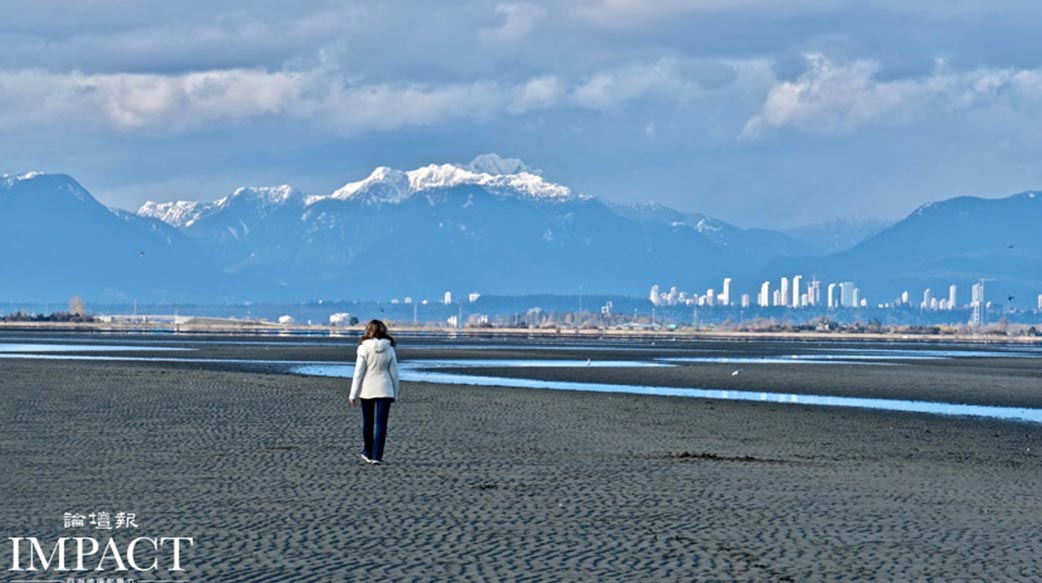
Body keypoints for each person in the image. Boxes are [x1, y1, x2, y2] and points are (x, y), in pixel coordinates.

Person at [349, 319, 400, 465]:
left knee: (368, 422)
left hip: (367, 389)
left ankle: (368, 452)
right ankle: (377, 456)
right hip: (385, 388)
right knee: (381, 424)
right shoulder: (389, 349)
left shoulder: (363, 348)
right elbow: (394, 374)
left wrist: (353, 394)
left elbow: (358, 373)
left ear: (368, 331)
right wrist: (395, 393)